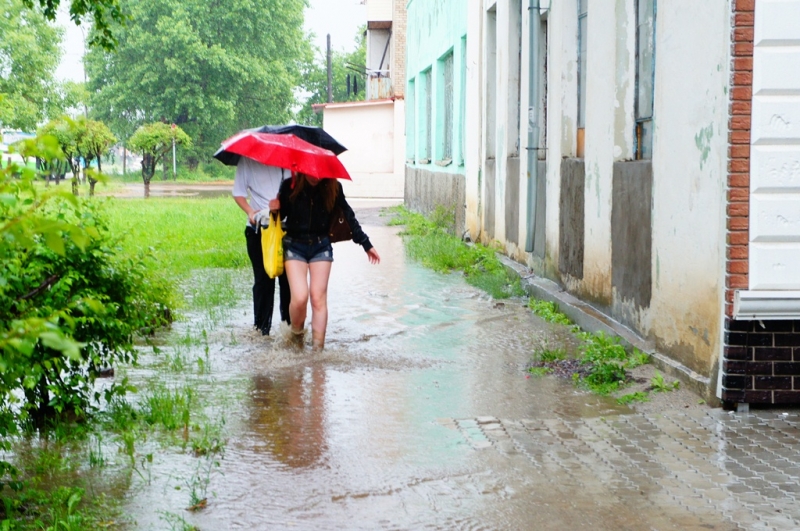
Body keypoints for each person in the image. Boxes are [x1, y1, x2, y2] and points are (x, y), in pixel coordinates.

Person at [275, 173, 380, 351]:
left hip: (320, 246)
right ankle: (297, 338)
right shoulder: (289, 186)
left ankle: (318, 351)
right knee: (300, 298)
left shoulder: (333, 187)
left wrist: (366, 243)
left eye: (320, 172)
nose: (316, 176)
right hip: (294, 246)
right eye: (311, 171)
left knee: (318, 298)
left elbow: (348, 215)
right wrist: (275, 208)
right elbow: (282, 214)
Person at [232, 157, 291, 336]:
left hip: (287, 228)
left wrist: (285, 204)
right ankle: (261, 331)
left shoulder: (289, 161)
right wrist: (250, 211)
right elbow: (238, 193)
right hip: (258, 229)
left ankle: (289, 331)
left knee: (289, 282)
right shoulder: (247, 161)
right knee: (263, 282)